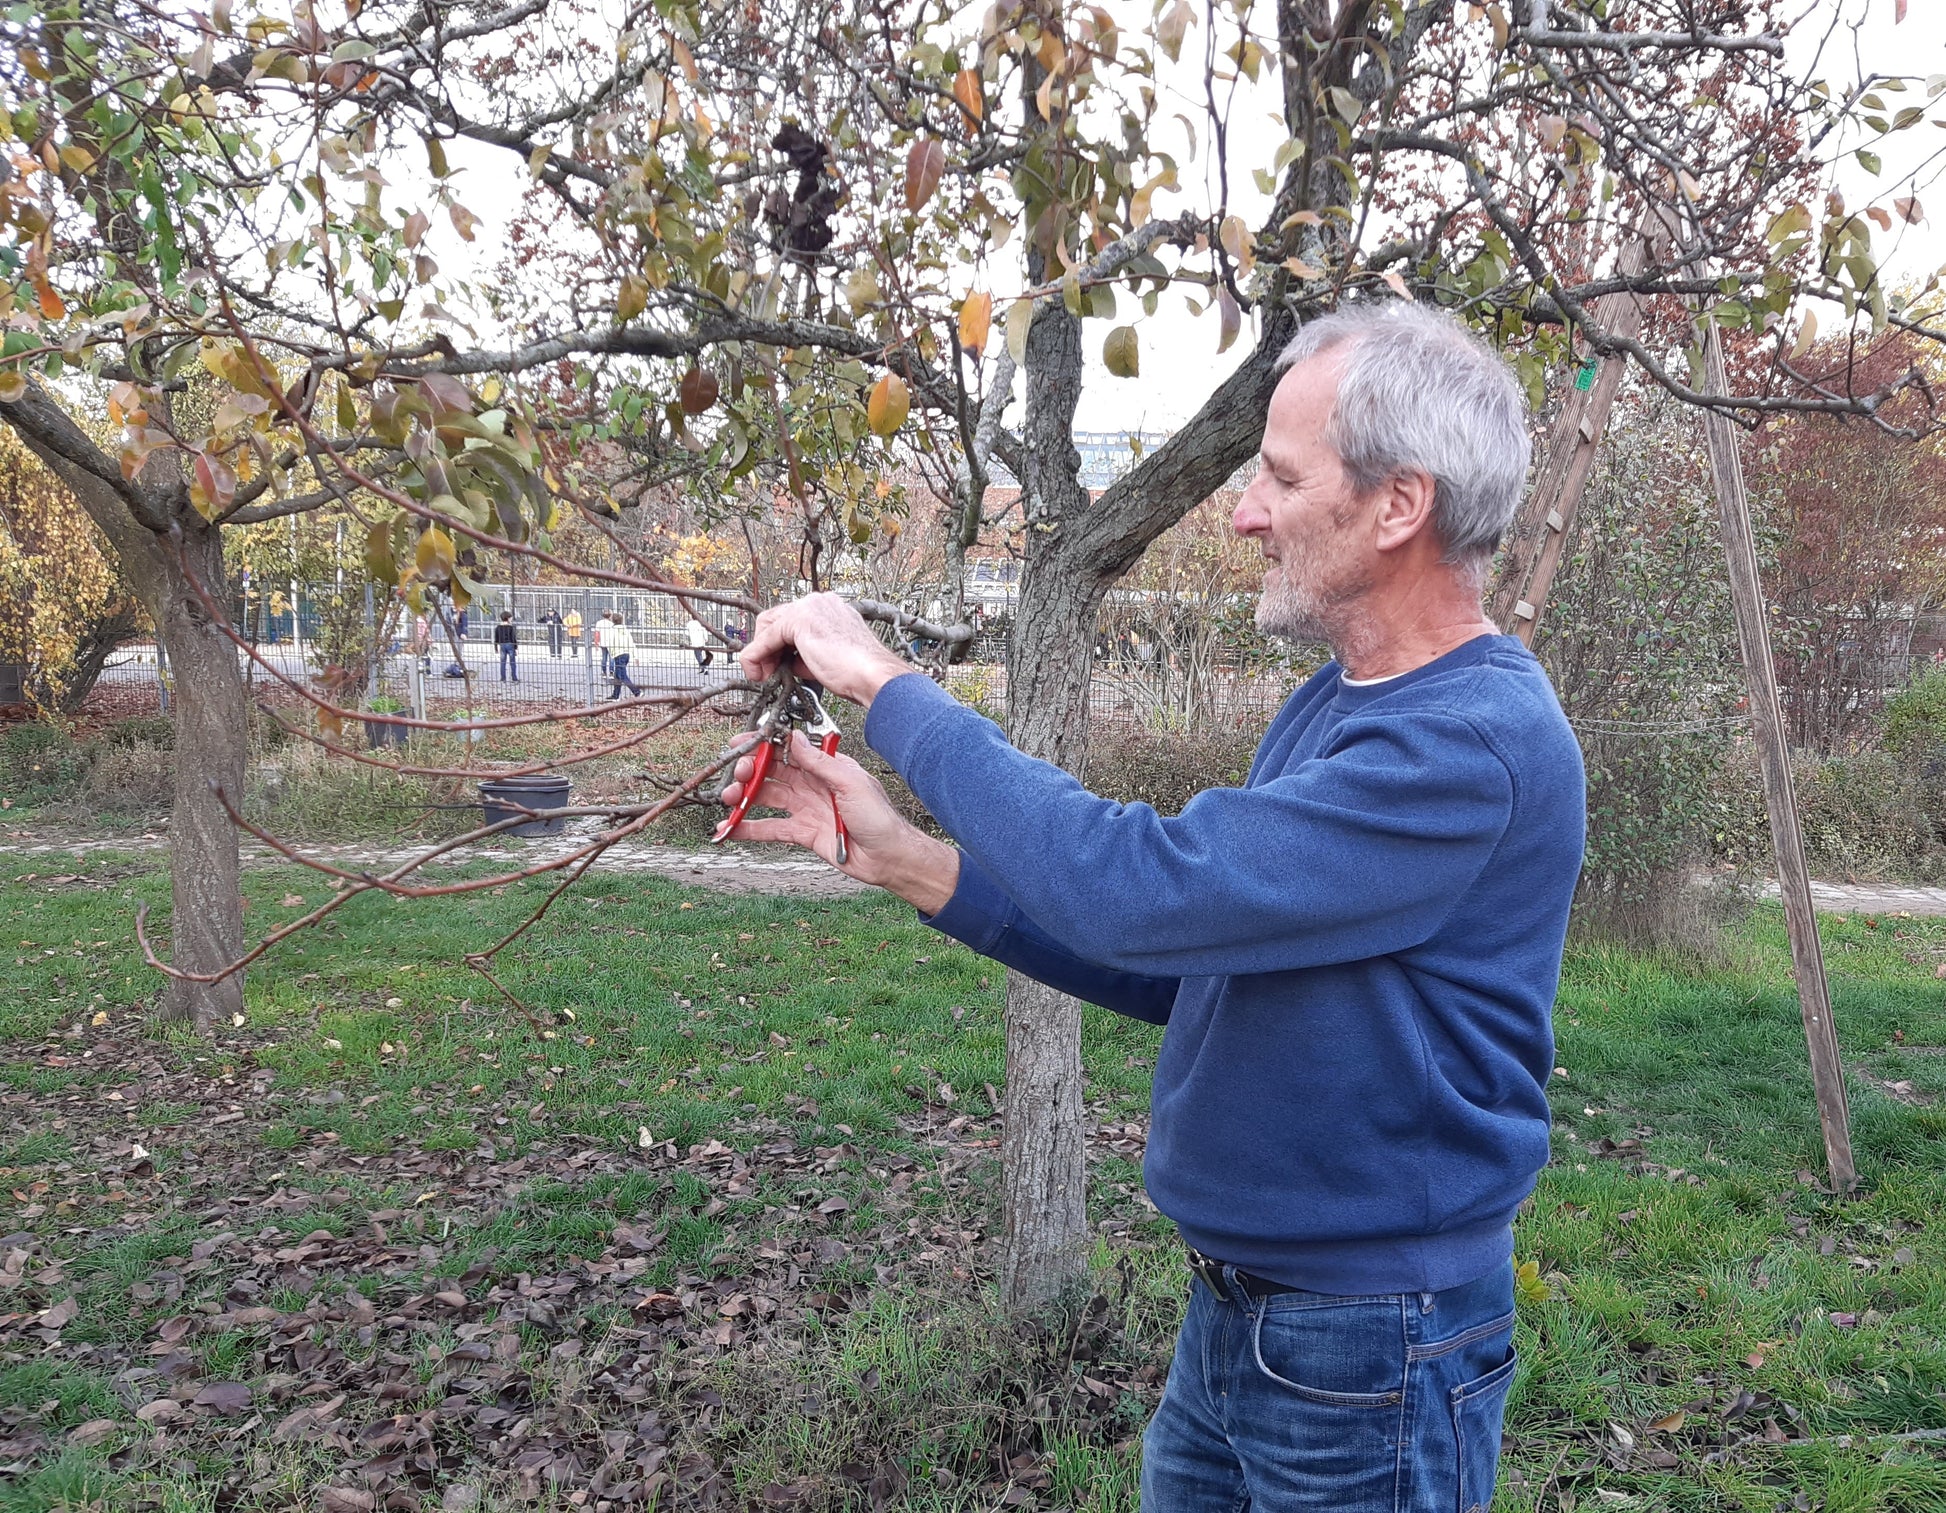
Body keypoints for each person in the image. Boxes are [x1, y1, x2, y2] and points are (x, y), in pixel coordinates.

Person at [719, 302, 1586, 1513]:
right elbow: (1192, 960)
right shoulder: (1344, 700)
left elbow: (1133, 889)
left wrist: (884, 683)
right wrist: (909, 860)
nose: (1244, 512)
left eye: (1281, 477)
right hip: (1243, 1311)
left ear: (1398, 505)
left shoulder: (1466, 745)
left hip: (1369, 1344)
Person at [606, 612, 642, 697]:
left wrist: (612, 654)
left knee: (622, 676)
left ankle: (637, 692)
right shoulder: (625, 630)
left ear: (613, 621)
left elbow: (610, 643)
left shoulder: (612, 630)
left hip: (618, 654)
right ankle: (615, 695)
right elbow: (631, 643)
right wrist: (635, 656)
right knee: (617, 675)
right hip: (626, 654)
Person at [493, 610, 519, 682]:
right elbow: (513, 638)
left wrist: (496, 648)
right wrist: (516, 647)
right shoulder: (511, 627)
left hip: (502, 645)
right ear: (507, 618)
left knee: (503, 662)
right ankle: (514, 678)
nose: (511, 619)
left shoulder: (498, 627)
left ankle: (503, 678)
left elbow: (496, 638)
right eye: (510, 618)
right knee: (512, 662)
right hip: (510, 644)